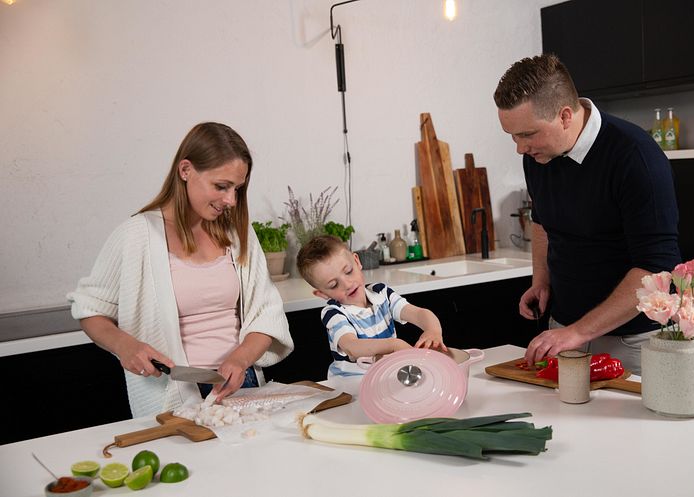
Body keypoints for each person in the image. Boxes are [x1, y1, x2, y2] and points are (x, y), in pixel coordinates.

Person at [68, 122, 294, 417]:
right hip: (170, 396)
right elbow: (90, 309)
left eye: (237, 189)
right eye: (221, 186)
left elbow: (267, 315)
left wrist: (240, 360)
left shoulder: (238, 235)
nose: (231, 200)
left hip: (240, 386)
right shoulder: (136, 235)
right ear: (185, 170)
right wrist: (125, 346)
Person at [493, 54, 680, 374]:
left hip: (635, 340)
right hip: (564, 332)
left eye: (527, 134)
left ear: (565, 116)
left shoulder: (634, 156)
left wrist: (579, 331)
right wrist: (541, 279)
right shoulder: (538, 156)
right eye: (513, 136)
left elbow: (655, 270)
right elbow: (541, 220)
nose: (519, 148)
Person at [296, 235, 446, 377]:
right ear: (323, 294)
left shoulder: (381, 293)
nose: (347, 284)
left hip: (386, 375)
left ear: (357, 261)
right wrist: (394, 344)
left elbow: (419, 313)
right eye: (334, 285)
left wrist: (433, 330)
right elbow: (352, 346)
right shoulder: (334, 313)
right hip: (351, 386)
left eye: (348, 271)